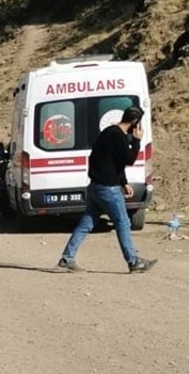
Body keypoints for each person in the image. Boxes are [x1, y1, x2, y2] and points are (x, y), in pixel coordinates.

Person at [58, 106, 158, 274]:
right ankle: (133, 262)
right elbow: (129, 159)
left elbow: (114, 162)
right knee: (123, 223)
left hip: (96, 186)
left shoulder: (108, 132)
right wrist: (137, 141)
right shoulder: (118, 136)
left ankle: (67, 258)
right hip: (108, 188)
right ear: (135, 122)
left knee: (86, 223)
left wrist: (124, 182)